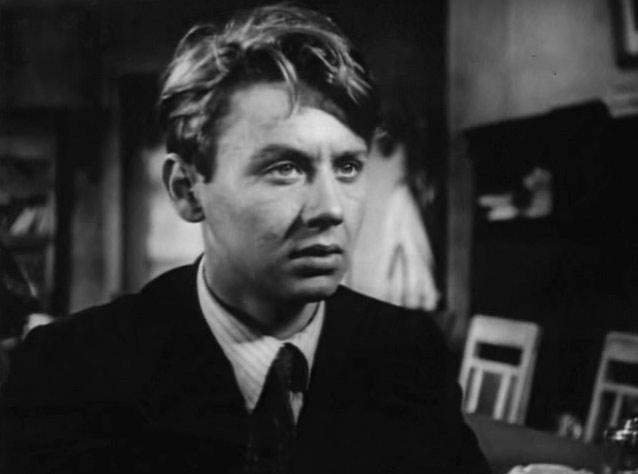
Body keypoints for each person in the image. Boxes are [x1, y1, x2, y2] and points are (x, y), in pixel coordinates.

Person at [0, 4, 490, 473]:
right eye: (284, 167)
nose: (332, 209)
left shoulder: (408, 353)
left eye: (347, 167)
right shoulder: (70, 368)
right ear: (186, 189)